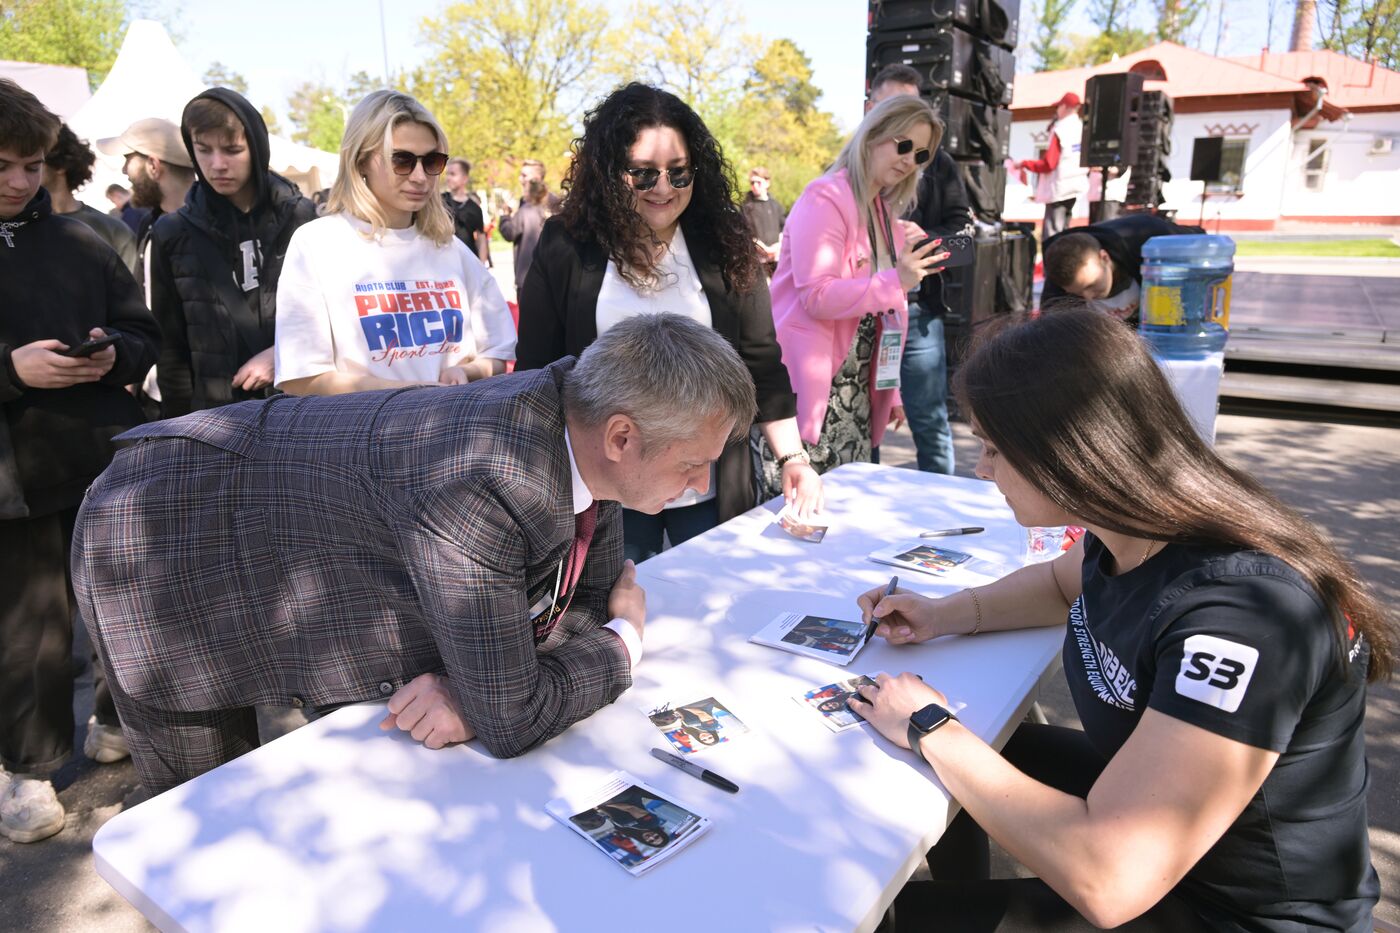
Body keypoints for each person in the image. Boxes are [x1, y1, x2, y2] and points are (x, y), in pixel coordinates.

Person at [851, 307, 1391, 931]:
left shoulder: (1240, 616)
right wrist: (942, 614)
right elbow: (1059, 584)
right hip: (1164, 843)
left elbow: (1108, 879)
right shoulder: (1135, 528)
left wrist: (929, 726)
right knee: (974, 754)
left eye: (994, 448)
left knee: (889, 912)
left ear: (1069, 452)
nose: (981, 469)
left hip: (1239, 914)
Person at [74, 313, 757, 794]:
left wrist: (490, 682)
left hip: (261, 524)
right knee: (208, 824)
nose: (700, 485)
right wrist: (623, 643)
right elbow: (519, 712)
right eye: (693, 464)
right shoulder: (484, 477)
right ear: (621, 437)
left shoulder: (586, 421)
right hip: (158, 538)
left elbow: (574, 610)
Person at [515, 83, 820, 563]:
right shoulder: (566, 244)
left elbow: (761, 361)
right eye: (643, 174)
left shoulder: (726, 243)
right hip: (606, 494)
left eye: (679, 174)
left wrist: (793, 459)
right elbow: (536, 372)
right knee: (618, 614)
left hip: (710, 485)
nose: (663, 188)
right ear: (608, 171)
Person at [0, 79, 160, 842]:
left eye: (31, 165)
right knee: (32, 630)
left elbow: (140, 329)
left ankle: (114, 716)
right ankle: (27, 772)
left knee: (120, 603)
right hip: (12, 480)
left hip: (97, 457)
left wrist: (113, 356)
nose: (20, 181)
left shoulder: (78, 239)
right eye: (3, 165)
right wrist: (12, 369)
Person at [274, 91, 516, 396]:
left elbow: (498, 352)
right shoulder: (317, 245)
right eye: (401, 160)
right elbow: (302, 378)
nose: (420, 176)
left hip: (451, 435)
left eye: (432, 161)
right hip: (364, 439)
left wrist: (466, 372)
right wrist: (407, 393)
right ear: (361, 161)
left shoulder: (450, 248)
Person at [766, 93, 945, 488]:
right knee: (796, 522)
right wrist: (896, 280)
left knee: (840, 520)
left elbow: (886, 316)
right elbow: (817, 295)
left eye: (920, 155)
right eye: (903, 145)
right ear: (872, 134)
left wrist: (890, 389)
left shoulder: (883, 214)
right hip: (812, 395)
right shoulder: (825, 196)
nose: (907, 160)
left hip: (855, 396)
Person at [149, 88, 319, 418]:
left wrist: (281, 355)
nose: (217, 164)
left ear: (256, 147)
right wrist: (180, 430)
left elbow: (336, 323)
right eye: (203, 150)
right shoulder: (171, 232)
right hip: (217, 418)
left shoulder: (304, 218)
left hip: (303, 408)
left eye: (232, 150)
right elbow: (170, 349)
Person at [867, 63, 973, 476]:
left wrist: (919, 241)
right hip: (860, 319)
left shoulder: (937, 163)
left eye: (910, 110)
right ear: (870, 108)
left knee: (928, 421)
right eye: (890, 109)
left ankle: (941, 511)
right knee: (864, 425)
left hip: (918, 315)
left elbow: (963, 240)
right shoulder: (845, 171)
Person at [1040, 212, 1205, 323]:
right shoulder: (1057, 289)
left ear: (1104, 257)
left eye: (1091, 285)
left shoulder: (1148, 238)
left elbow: (1198, 242)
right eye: (1077, 294)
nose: (1088, 297)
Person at [41, 124, 138, 274]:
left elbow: (133, 292)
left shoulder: (113, 231)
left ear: (60, 165)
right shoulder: (15, 232)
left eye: (35, 163)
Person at [1007, 91, 1088, 243]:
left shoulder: (1061, 129)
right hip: (1074, 186)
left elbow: (1049, 164)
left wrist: (1024, 163)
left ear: (1064, 107)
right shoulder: (1081, 128)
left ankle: (1051, 265)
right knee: (1065, 232)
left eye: (1058, 107)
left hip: (1058, 189)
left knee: (1052, 235)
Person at [499, 172, 554, 291]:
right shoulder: (550, 209)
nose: (523, 193)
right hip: (549, 272)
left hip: (527, 273)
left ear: (531, 193)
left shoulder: (525, 211)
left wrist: (505, 216)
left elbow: (509, 233)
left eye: (525, 190)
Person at [441, 156, 489, 264]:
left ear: (465, 178)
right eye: (447, 174)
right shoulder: (440, 202)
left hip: (468, 262)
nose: (448, 178)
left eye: (453, 174)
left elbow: (481, 239)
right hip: (444, 262)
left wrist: (481, 267)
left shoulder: (474, 208)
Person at [740, 166, 784, 277]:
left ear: (767, 183)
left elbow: (784, 229)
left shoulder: (776, 205)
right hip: (757, 261)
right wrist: (765, 250)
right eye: (752, 182)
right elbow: (745, 234)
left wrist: (777, 247)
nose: (754, 186)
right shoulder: (746, 206)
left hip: (777, 259)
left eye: (758, 182)